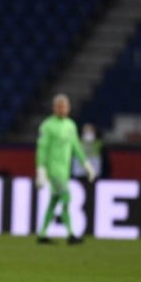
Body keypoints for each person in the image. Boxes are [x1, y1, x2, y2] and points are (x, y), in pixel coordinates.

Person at [35, 94, 96, 245]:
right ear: (54, 108)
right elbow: (42, 149)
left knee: (54, 201)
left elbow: (76, 147)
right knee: (67, 197)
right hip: (53, 171)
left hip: (64, 171)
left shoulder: (71, 125)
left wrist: (86, 165)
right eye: (59, 106)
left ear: (68, 108)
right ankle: (70, 234)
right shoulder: (47, 126)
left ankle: (42, 234)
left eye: (65, 106)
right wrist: (41, 169)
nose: (62, 109)